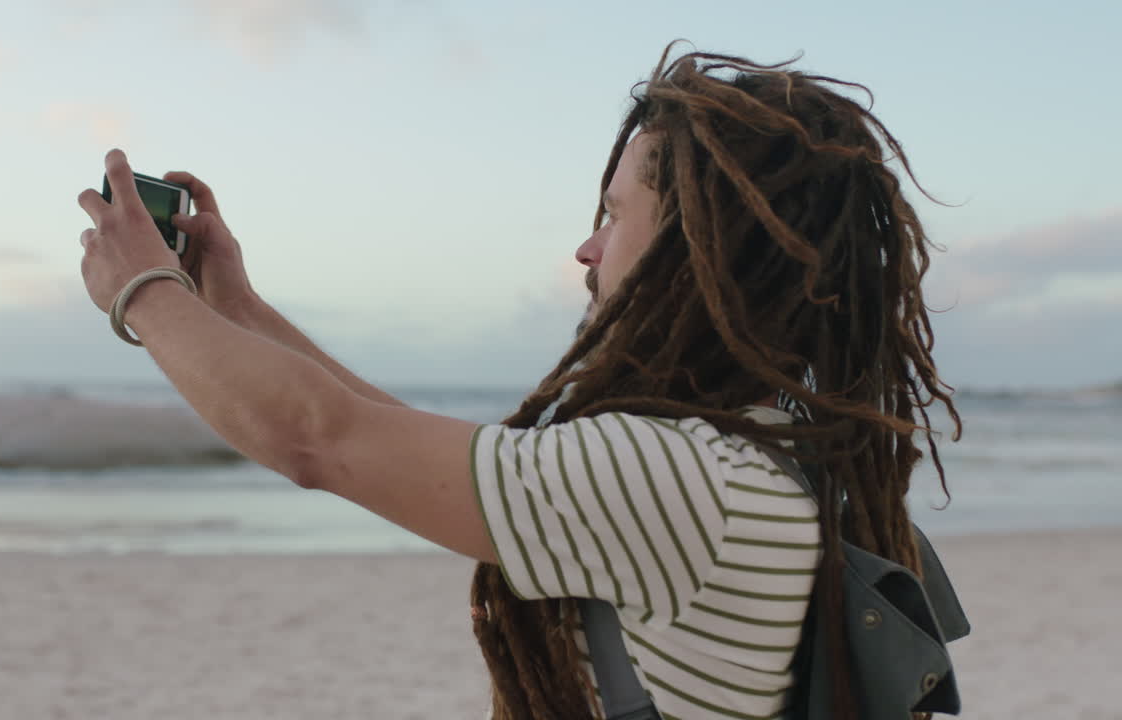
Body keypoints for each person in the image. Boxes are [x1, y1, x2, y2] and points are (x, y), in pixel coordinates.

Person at [76, 43, 962, 720]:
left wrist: (142, 292)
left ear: (699, 248)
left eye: (614, 215)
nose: (587, 248)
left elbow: (320, 437)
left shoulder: (681, 477)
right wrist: (234, 307)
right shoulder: (756, 454)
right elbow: (393, 437)